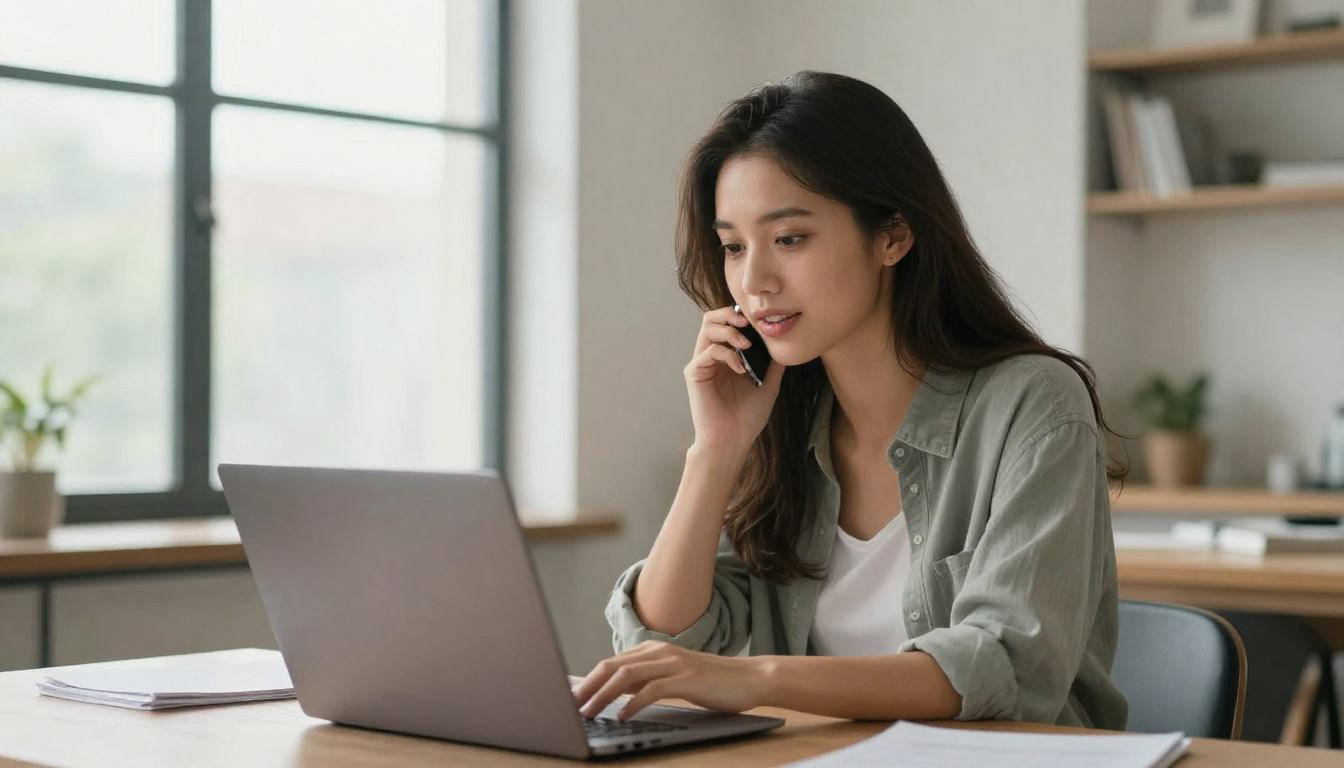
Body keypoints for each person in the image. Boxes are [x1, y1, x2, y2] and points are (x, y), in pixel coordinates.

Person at [571, 71, 1128, 730]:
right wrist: (714, 451)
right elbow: (661, 643)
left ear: (892, 235)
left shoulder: (1033, 405)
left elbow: (1003, 666)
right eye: (733, 247)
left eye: (789, 239)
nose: (753, 281)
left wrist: (758, 678)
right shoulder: (780, 418)